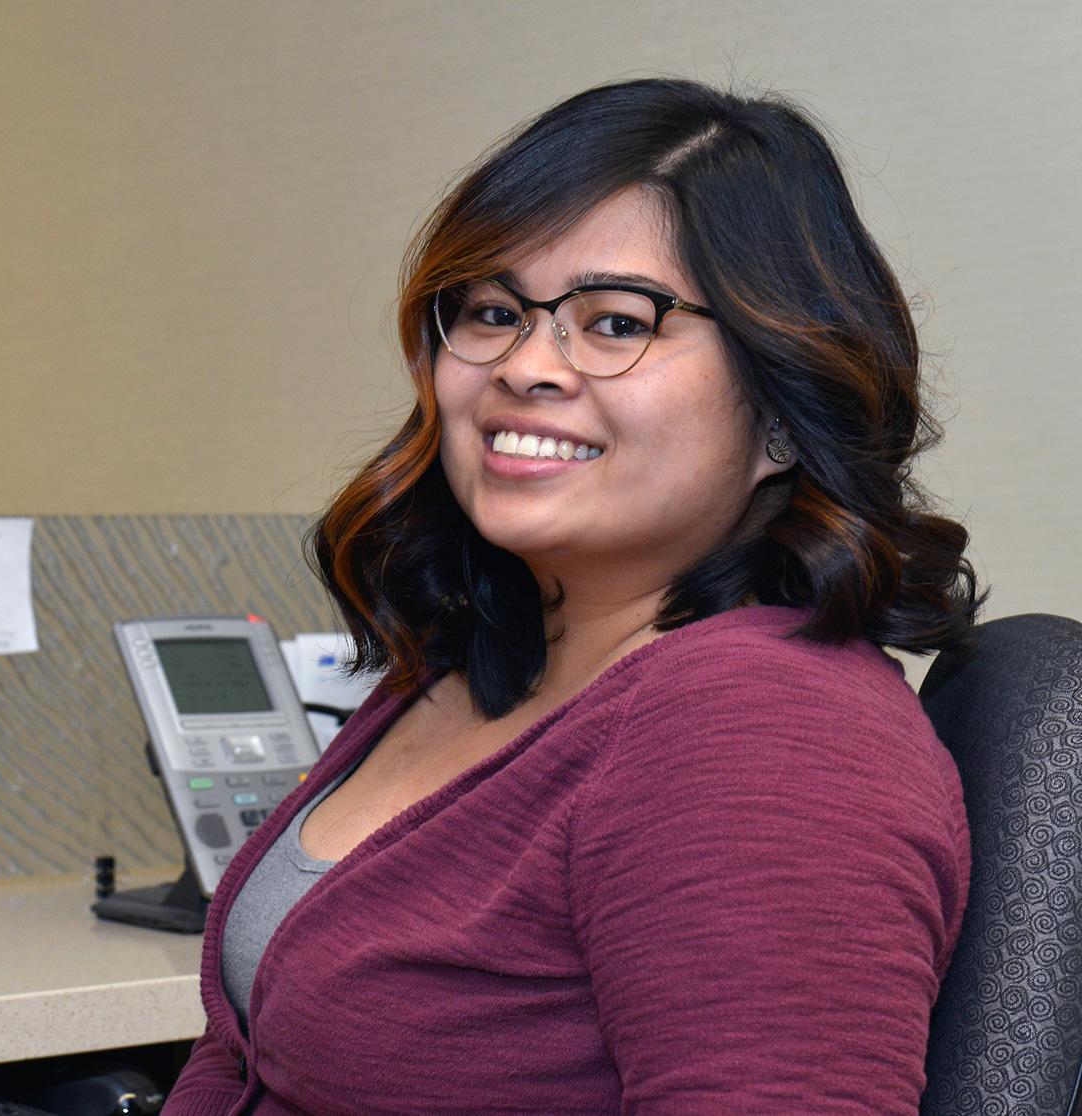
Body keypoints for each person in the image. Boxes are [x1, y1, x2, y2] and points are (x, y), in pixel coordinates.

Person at [163, 78, 980, 1115]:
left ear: (782, 412)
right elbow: (239, 1062)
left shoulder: (758, 727)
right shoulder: (474, 660)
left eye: (613, 322)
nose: (524, 365)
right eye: (494, 311)